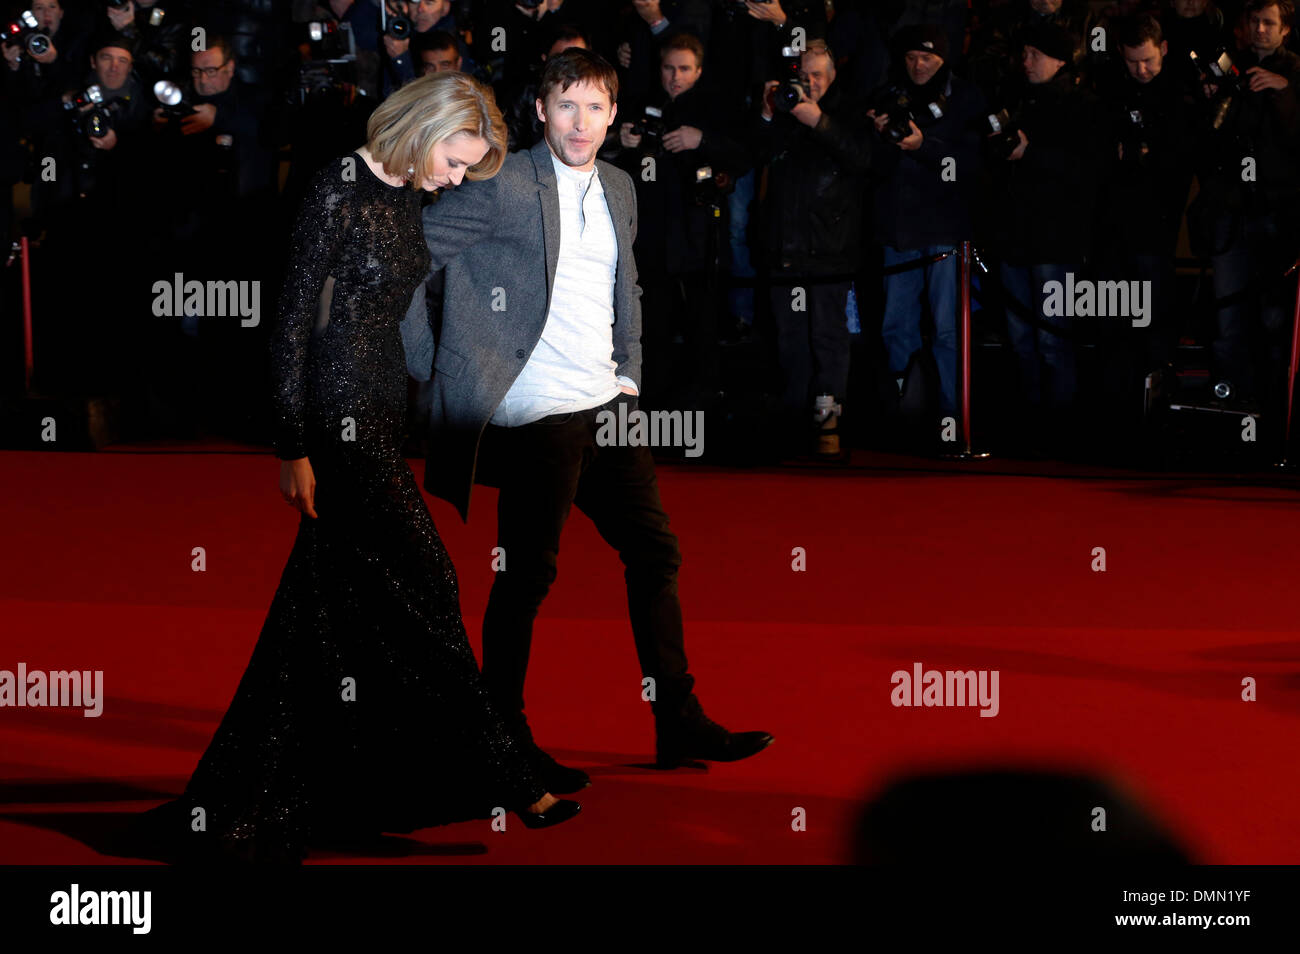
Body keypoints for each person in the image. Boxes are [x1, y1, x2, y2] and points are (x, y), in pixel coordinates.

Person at [116, 72, 580, 865]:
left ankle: (301, 788)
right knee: (431, 582)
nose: (457, 178)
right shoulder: (339, 183)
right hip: (338, 422)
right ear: (425, 128)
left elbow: (407, 308)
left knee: (324, 616)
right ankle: (509, 774)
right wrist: (291, 445)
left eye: (468, 168)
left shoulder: (407, 192)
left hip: (382, 414)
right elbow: (292, 318)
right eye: (457, 160)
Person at [401, 49, 773, 790]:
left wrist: (630, 376)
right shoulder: (501, 181)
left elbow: (624, 283)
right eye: (566, 105)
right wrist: (429, 367)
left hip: (606, 408)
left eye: (596, 107)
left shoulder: (620, 185)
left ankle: (677, 717)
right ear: (541, 111)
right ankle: (502, 736)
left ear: (612, 113)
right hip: (535, 413)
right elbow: (410, 260)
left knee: (655, 554)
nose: (581, 122)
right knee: (527, 579)